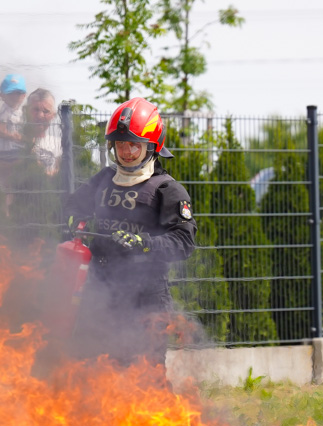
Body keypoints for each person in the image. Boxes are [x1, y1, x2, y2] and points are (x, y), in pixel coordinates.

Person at [62, 97, 197, 371]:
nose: (126, 151)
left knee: (143, 378)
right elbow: (72, 207)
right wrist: (76, 220)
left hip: (145, 296)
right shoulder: (103, 179)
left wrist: (144, 244)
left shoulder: (168, 190)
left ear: (152, 146)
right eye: (121, 144)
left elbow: (184, 242)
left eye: (134, 145)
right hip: (100, 289)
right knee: (87, 370)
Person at [23, 88, 61, 176]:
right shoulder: (13, 141)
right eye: (36, 110)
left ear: (53, 115)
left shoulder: (59, 145)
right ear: (26, 111)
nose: (40, 116)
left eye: (46, 111)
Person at [0, 74, 26, 163]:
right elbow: (0, 130)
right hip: (6, 151)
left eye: (18, 94)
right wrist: (12, 136)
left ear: (24, 95)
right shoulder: (5, 111)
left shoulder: (20, 111)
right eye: (10, 94)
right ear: (2, 95)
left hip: (15, 149)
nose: (14, 97)